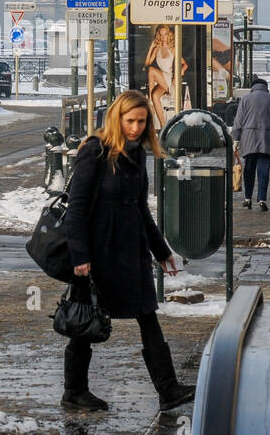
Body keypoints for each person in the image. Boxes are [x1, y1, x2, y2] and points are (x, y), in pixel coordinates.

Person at [62, 89, 193, 413]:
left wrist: (161, 251)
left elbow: (140, 208)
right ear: (117, 118)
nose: (135, 127)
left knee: (148, 316)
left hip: (130, 251)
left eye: (141, 121)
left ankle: (168, 390)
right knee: (85, 321)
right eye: (130, 120)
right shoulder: (95, 150)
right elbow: (76, 209)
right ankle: (74, 391)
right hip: (98, 253)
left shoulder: (138, 153)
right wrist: (80, 257)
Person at [230, 76, 270, 211]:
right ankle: (262, 199)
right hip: (267, 139)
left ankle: (248, 198)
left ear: (253, 87)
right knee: (264, 170)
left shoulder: (245, 100)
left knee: (249, 169)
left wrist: (236, 139)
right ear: (265, 87)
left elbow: (238, 122)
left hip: (249, 139)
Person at [143, 24, 187, 129]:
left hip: (171, 80)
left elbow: (185, 64)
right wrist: (151, 48)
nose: (163, 37)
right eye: (161, 35)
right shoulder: (157, 48)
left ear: (169, 35)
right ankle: (163, 126)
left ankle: (150, 104)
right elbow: (147, 63)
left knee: (151, 71)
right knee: (155, 95)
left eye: (165, 34)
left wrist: (181, 71)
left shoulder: (172, 48)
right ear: (158, 35)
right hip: (162, 79)